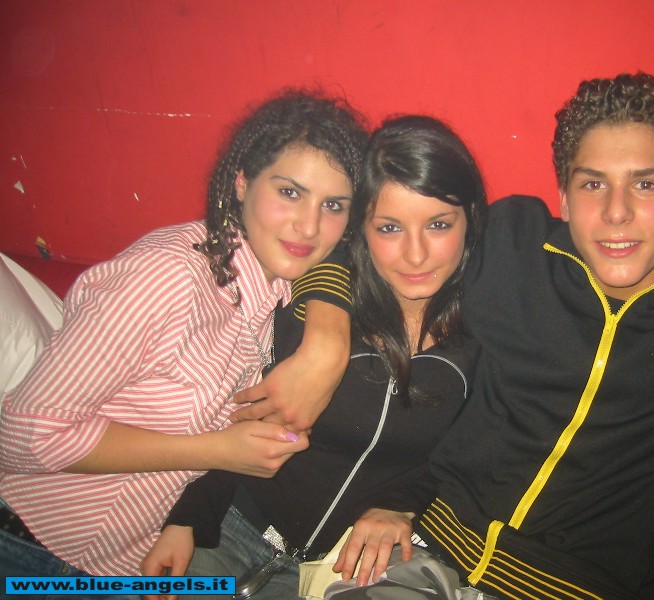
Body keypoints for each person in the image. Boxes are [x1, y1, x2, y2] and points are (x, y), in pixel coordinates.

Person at [416, 73, 654, 599]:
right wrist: (325, 333)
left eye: (646, 184)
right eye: (593, 184)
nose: (616, 212)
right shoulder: (510, 243)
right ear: (564, 198)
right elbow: (373, 248)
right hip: (422, 557)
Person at [0, 88, 369, 582]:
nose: (309, 225)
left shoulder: (279, 290)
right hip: (29, 547)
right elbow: (25, 434)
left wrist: (329, 343)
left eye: (334, 205)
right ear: (242, 182)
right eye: (289, 192)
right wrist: (218, 449)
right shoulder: (168, 276)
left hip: (127, 564)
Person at [139, 115, 488, 600]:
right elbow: (243, 418)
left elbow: (465, 456)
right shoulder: (313, 304)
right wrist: (187, 521)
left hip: (344, 564)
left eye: (438, 224)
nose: (416, 254)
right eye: (389, 227)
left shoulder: (488, 333)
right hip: (233, 528)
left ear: (470, 220)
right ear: (361, 229)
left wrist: (402, 505)